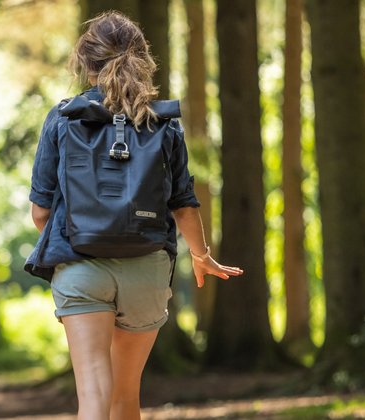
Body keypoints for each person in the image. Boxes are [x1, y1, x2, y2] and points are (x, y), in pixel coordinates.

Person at [25, 12, 243, 419]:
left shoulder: (62, 118)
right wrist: (201, 255)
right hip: (145, 268)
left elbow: (41, 210)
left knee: (93, 395)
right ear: (143, 59)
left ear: (86, 61)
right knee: (126, 397)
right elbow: (183, 204)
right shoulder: (162, 122)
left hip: (80, 265)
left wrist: (70, 241)